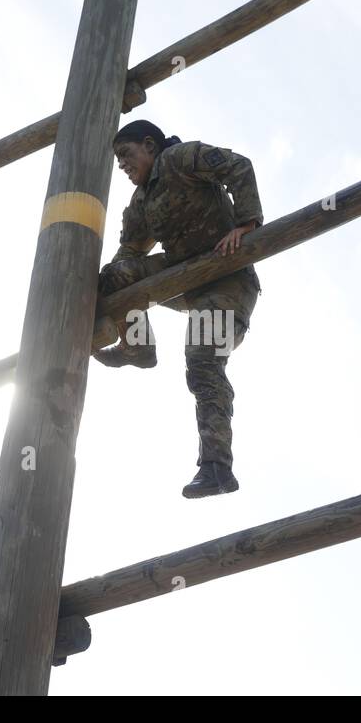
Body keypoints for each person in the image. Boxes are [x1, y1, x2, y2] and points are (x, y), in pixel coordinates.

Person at [95, 119, 263, 499]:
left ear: (150, 146)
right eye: (117, 161)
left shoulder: (180, 159)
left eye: (126, 155)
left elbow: (239, 166)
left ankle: (216, 467)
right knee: (116, 275)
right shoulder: (140, 201)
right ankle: (137, 347)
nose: (122, 165)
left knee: (201, 357)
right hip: (184, 277)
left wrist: (246, 223)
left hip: (227, 280)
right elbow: (130, 254)